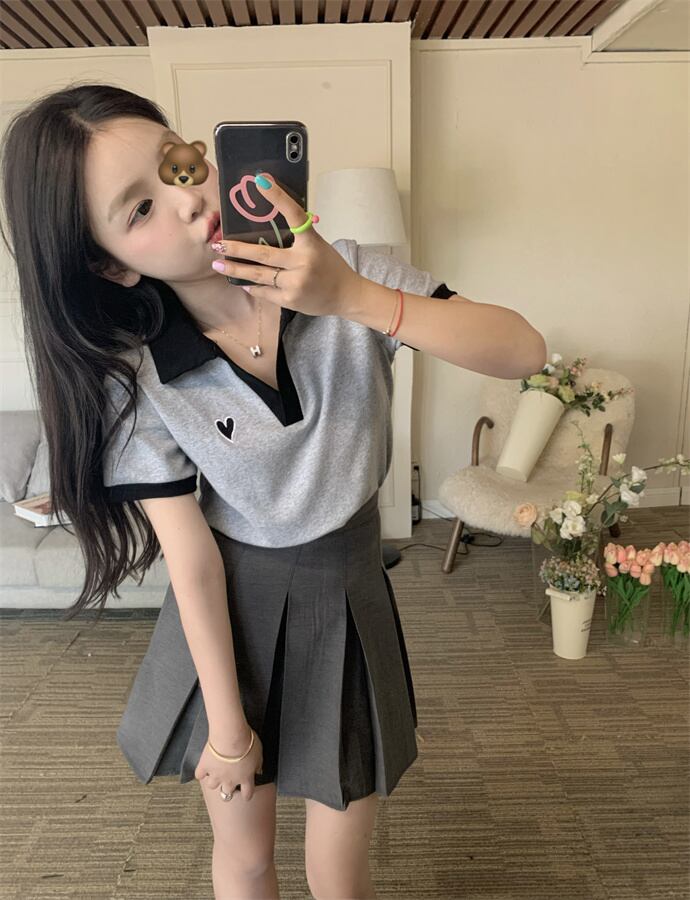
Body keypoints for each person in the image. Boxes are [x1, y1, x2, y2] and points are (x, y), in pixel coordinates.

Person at [0, 83, 546, 900]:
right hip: (229, 616)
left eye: (179, 166)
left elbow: (524, 350)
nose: (190, 200)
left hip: (349, 586)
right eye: (140, 209)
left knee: (338, 873)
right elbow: (191, 561)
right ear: (110, 263)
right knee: (248, 858)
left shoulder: (351, 271)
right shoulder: (138, 376)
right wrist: (228, 730)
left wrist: (353, 298)